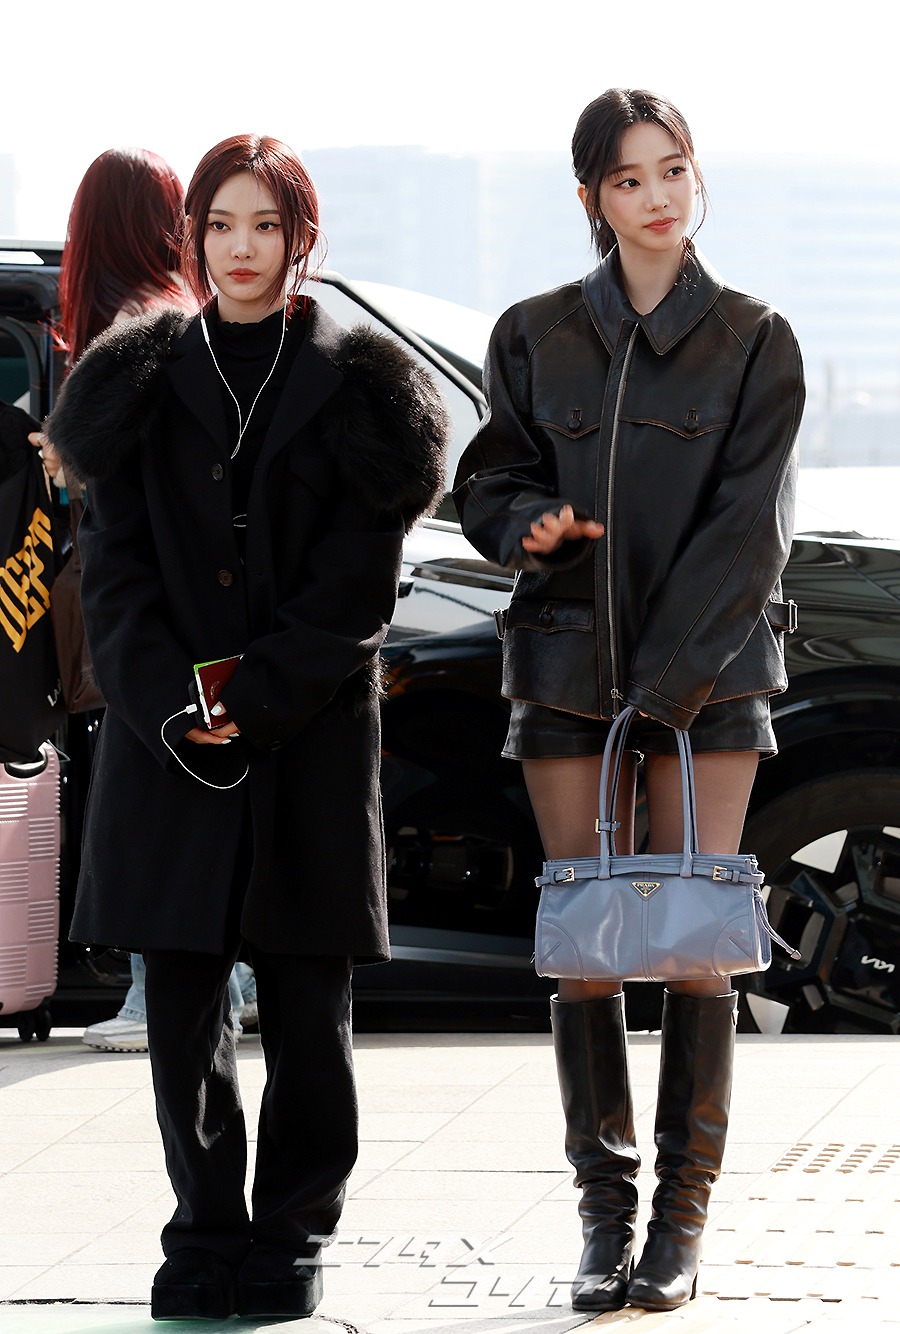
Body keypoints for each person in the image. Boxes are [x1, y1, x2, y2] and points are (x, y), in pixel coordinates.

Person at [48, 133, 447, 1321]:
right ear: (193, 237)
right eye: (220, 224)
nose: (240, 247)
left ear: (299, 238)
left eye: (264, 225)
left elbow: (358, 584)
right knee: (181, 1007)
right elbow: (113, 572)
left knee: (310, 1008)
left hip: (307, 736)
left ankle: (293, 1235)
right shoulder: (133, 383)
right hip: (166, 742)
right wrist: (176, 701)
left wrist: (256, 695)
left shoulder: (364, 386)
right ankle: (203, 1231)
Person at [453, 89, 803, 1314]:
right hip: (561, 673)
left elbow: (750, 531)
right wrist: (526, 524)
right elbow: (489, 479)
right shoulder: (533, 333)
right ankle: (604, 1219)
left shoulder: (757, 339)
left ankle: (679, 1224)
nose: (658, 196)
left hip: (708, 684)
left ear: (696, 176)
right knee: (588, 955)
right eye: (628, 178)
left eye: (673, 169)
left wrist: (663, 690)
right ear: (591, 198)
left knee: (698, 949)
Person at [30, 147, 257, 1054]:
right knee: (189, 792)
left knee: (149, 796)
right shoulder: (186, 312)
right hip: (198, 599)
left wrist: (62, 454)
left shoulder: (133, 326)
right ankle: (225, 986)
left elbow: (121, 478)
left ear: (95, 226)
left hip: (151, 603)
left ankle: (162, 997)